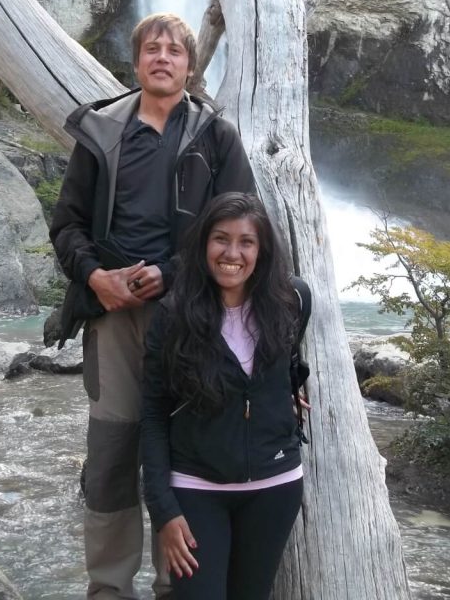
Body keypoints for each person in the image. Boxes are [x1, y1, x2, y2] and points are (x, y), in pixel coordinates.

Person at [49, 13, 256, 600]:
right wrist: (96, 279)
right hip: (111, 316)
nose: (162, 58)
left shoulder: (216, 136)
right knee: (113, 450)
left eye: (174, 51)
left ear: (190, 67)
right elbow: (66, 226)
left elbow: (241, 227)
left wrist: (170, 273)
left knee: (186, 448)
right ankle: (109, 588)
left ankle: (177, 586)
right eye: (152, 49)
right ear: (137, 62)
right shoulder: (102, 132)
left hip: (189, 316)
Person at [141, 192, 311, 600]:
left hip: (275, 487)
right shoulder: (173, 314)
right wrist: (163, 510)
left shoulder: (293, 301)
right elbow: (152, 414)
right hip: (196, 490)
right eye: (221, 238)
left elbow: (283, 364)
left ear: (262, 249)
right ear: (203, 244)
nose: (232, 252)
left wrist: (285, 392)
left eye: (246, 242)